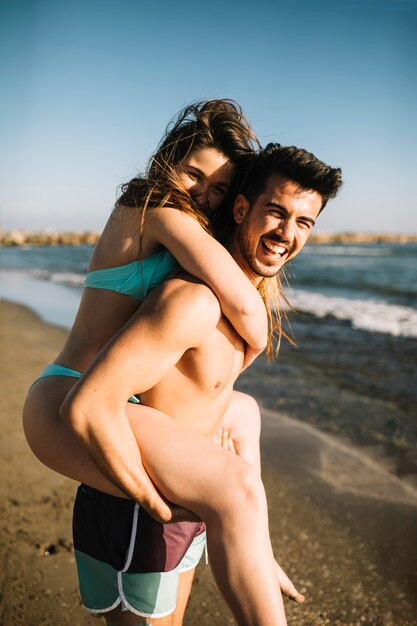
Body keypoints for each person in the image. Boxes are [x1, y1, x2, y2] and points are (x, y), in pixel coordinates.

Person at [33, 143, 342, 624]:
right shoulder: (190, 292)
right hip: (140, 497)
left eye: (304, 222)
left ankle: (250, 538)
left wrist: (253, 542)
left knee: (244, 415)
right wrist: (160, 503)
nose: (287, 233)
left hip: (184, 492)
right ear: (241, 210)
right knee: (237, 486)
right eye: (276, 213)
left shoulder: (224, 294)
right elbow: (89, 405)